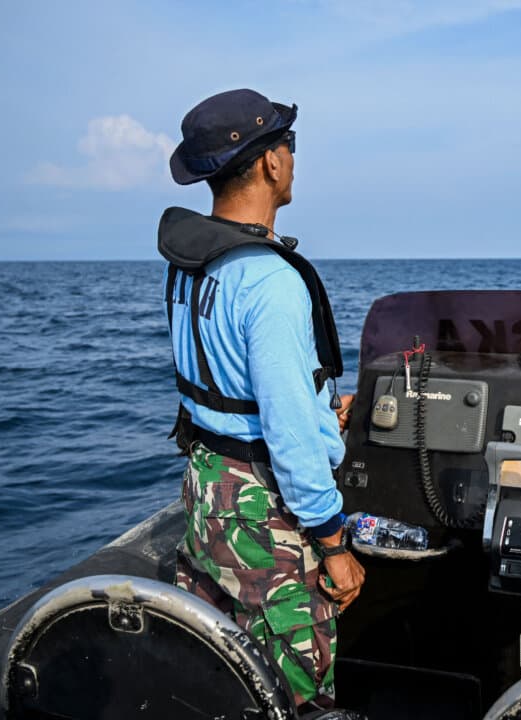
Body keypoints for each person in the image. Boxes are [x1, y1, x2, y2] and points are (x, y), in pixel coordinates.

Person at [158, 88, 364, 711]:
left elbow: (227, 386)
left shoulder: (191, 262)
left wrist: (316, 406)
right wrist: (333, 546)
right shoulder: (270, 281)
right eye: (288, 147)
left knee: (222, 677)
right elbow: (288, 438)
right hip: (265, 506)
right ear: (272, 162)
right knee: (299, 691)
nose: (293, 161)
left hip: (206, 493)